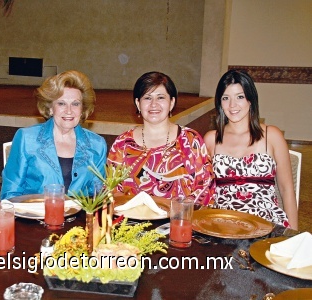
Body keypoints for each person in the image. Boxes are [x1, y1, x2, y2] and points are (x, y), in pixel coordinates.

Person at [204, 69, 298, 229]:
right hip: (222, 225)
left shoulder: (271, 135)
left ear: (250, 100)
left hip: (265, 224)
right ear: (220, 102)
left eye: (240, 97)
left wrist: (294, 236)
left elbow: (286, 189)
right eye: (226, 98)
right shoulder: (211, 139)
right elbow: (204, 191)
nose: (232, 105)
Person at [107, 71, 214, 205]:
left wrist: (179, 212)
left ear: (172, 102)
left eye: (161, 97)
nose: (154, 104)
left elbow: (205, 186)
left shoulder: (190, 140)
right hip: (131, 223)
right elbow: (111, 189)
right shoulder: (122, 144)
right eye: (147, 98)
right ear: (138, 103)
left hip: (177, 222)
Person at [0, 70, 107, 199]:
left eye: (75, 104)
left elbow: (98, 195)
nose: (69, 111)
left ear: (82, 109)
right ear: (50, 108)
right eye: (61, 103)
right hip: (34, 217)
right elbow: (10, 194)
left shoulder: (97, 145)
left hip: (80, 218)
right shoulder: (27, 139)